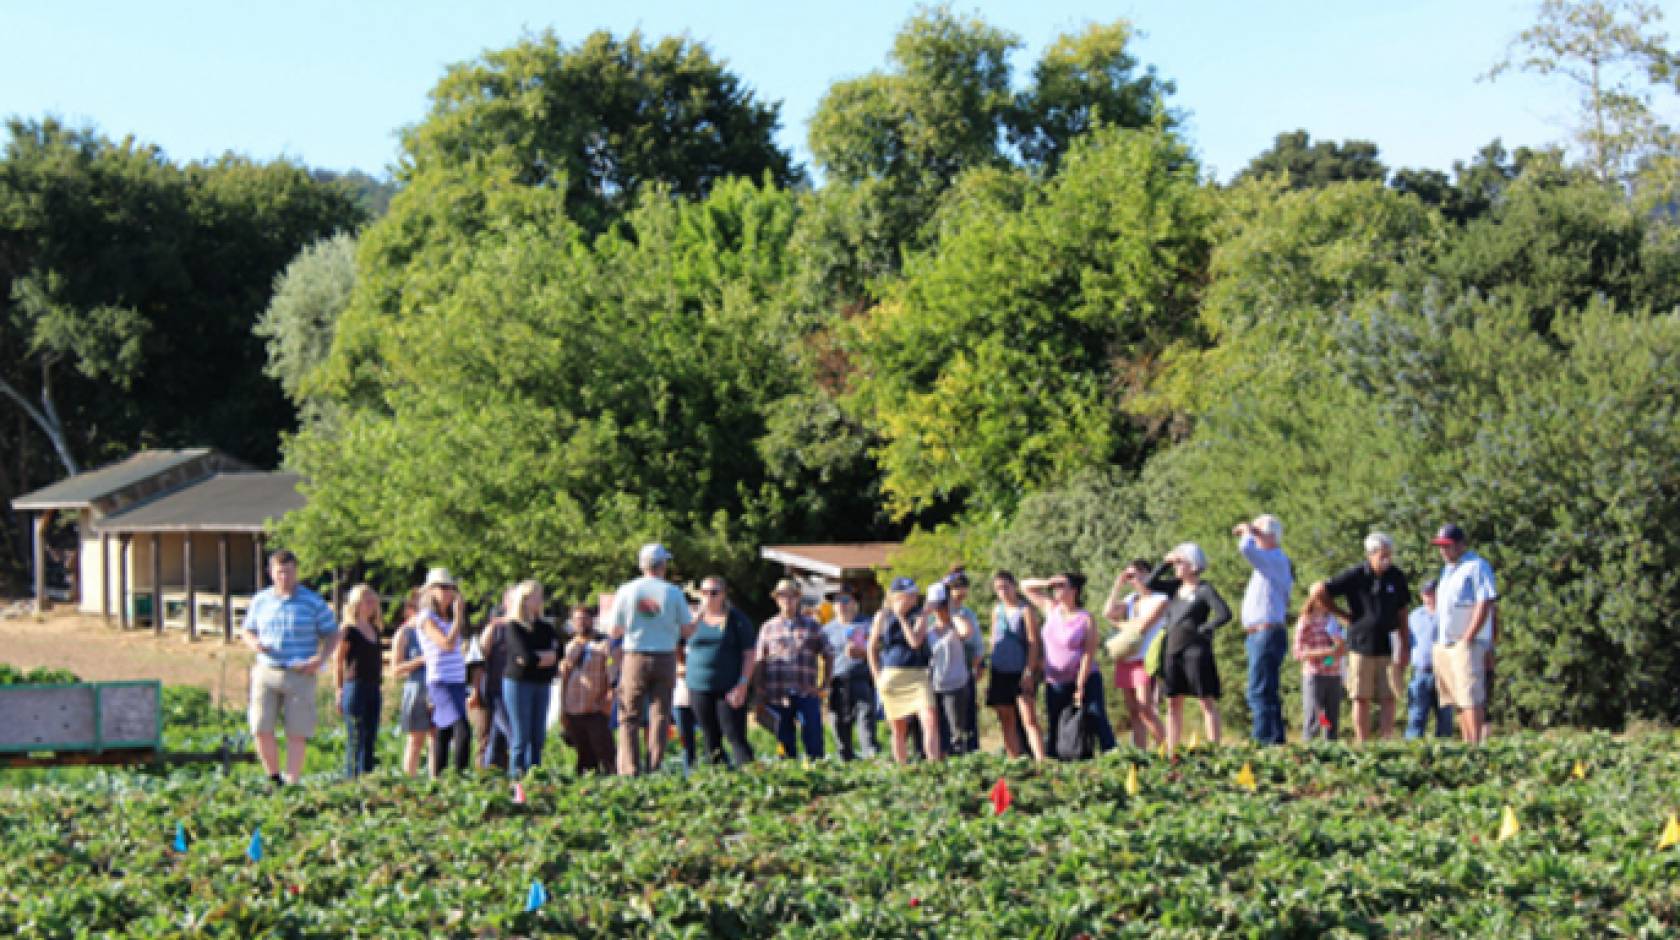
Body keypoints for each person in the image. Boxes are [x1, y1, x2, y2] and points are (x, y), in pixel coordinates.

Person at [241, 549, 338, 786]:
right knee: (261, 726)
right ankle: (274, 777)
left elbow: (332, 633)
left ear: (297, 572)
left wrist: (321, 658)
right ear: (271, 573)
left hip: (300, 672)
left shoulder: (312, 602)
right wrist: (254, 643)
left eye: (289, 571)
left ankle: (292, 781)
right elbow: (247, 629)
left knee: (297, 731)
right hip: (267, 669)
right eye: (280, 572)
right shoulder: (261, 600)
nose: (285, 576)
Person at [1310, 532, 1412, 743]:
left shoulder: (1397, 576)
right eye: (1382, 555)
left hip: (1389, 644)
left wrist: (1405, 644)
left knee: (1389, 695)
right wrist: (1341, 614)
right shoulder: (1356, 574)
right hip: (1360, 644)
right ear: (1371, 554)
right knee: (1360, 696)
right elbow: (1319, 589)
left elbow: (1403, 611)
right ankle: (1362, 741)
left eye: (1389, 555)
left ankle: (1386, 740)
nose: (1387, 559)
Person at [607, 543, 698, 776]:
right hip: (665, 656)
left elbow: (614, 630)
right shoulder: (673, 592)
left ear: (642, 565)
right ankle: (654, 766)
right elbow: (687, 631)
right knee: (660, 715)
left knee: (629, 716)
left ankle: (629, 769)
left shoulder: (627, 590)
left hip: (635, 656)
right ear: (663, 566)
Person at [1147, 544, 1230, 755]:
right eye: (1175, 563)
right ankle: (1172, 751)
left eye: (1179, 562)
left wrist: (1206, 628)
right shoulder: (1175, 587)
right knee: (1173, 701)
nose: (1176, 567)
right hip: (1173, 651)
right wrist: (1165, 563)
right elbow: (1150, 583)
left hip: (1195, 651)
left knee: (1205, 700)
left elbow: (1224, 614)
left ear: (1193, 565)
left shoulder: (1204, 589)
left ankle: (1214, 750)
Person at [1023, 573, 1115, 760]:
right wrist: (1047, 581)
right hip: (1055, 680)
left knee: (1096, 717)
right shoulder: (1051, 609)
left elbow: (1089, 653)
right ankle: (1057, 762)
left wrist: (1080, 685)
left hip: (1084, 678)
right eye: (1056, 587)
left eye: (1062, 586)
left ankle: (1112, 756)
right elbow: (1024, 586)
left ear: (1074, 591)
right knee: (1056, 722)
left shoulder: (1085, 618)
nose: (1057, 590)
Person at [748, 579, 831, 760]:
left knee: (814, 739)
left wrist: (825, 685)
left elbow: (828, 653)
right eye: (782, 595)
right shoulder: (768, 627)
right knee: (784, 742)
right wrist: (759, 690)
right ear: (777, 599)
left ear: (798, 598)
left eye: (791, 595)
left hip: (806, 691)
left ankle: (817, 773)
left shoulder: (812, 625)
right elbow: (759, 661)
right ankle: (788, 776)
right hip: (777, 694)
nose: (787, 599)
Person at [1431, 524, 1498, 744]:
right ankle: (1467, 741)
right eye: (1441, 546)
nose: (1443, 551)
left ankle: (1476, 744)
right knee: (1457, 697)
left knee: (1470, 696)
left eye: (1448, 546)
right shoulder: (1447, 571)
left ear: (1461, 544)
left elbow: (1485, 601)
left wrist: (1469, 635)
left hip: (1467, 642)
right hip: (1445, 642)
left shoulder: (1476, 566)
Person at [683, 575, 758, 769]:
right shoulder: (691, 619)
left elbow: (749, 654)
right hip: (698, 688)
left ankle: (751, 777)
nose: (709, 596)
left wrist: (743, 684)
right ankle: (719, 778)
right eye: (704, 592)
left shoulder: (737, 620)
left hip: (729, 688)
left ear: (723, 594)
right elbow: (677, 642)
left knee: (735, 735)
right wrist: (682, 667)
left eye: (714, 592)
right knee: (710, 737)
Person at [868, 577, 943, 764]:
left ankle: (933, 764)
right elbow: (872, 647)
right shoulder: (882, 616)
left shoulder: (920, 614)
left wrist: (901, 617)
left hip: (917, 675)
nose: (913, 599)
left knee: (930, 719)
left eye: (914, 595)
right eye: (909, 595)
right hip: (892, 675)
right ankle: (902, 769)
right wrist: (876, 677)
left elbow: (915, 642)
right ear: (896, 596)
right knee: (898, 728)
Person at [1234, 515, 1293, 746]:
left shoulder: (1275, 559)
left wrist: (1249, 531)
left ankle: (1262, 740)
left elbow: (1245, 549)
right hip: (1261, 633)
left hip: (1265, 633)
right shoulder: (1270, 564)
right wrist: (1255, 532)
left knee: (1258, 690)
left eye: (1259, 533)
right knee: (1266, 689)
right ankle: (1275, 739)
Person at [1102, 559, 1167, 749]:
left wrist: (1119, 625)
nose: (1132, 580)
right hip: (1127, 658)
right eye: (1129, 576)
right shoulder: (1131, 599)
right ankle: (1141, 753)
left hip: (1144, 658)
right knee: (1133, 711)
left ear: (1147, 574)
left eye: (1135, 575)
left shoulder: (1160, 599)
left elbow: (1142, 626)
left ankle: (1166, 749)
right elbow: (1108, 612)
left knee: (1145, 709)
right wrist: (1117, 585)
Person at [415, 568, 473, 775]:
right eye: (443, 587)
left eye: (451, 588)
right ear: (431, 591)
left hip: (457, 680)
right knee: (462, 730)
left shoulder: (448, 619)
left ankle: (438, 777)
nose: (449, 592)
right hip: (441, 681)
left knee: (444, 731)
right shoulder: (426, 617)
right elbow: (446, 644)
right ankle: (460, 776)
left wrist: (456, 619)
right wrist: (459, 617)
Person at [501, 579, 559, 777]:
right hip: (519, 684)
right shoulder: (513, 627)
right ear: (524, 600)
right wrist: (542, 658)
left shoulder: (546, 627)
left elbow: (556, 655)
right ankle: (515, 778)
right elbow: (524, 658)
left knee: (538, 736)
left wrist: (539, 658)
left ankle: (535, 776)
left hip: (542, 684)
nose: (540, 600)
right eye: (536, 596)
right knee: (521, 736)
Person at [988, 571, 1047, 761]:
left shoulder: (1025, 610)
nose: (1002, 591)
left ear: (1014, 586)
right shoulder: (996, 610)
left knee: (1029, 718)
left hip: (1020, 670)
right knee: (1006, 718)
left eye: (1005, 586)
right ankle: (1013, 759)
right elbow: (993, 638)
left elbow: (1033, 642)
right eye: (998, 588)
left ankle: (1041, 760)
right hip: (999, 670)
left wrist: (1029, 671)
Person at [333, 583, 384, 778]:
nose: (371, 604)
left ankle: (367, 779)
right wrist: (339, 690)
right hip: (355, 686)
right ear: (356, 603)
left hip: (373, 686)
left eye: (373, 600)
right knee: (356, 737)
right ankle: (351, 780)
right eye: (366, 600)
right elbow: (338, 661)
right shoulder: (349, 630)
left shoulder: (374, 630)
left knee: (370, 736)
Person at [559, 605, 616, 774]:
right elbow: (564, 676)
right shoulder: (570, 646)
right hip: (573, 707)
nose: (581, 623)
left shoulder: (605, 644)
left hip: (596, 706)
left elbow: (611, 670)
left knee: (605, 751)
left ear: (592, 620)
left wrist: (610, 697)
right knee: (583, 756)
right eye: (577, 619)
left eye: (585, 618)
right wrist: (562, 709)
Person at [823, 591, 878, 761]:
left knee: (865, 720)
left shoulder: (867, 624)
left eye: (845, 600)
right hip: (837, 682)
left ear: (855, 602)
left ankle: (871, 757)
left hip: (861, 679)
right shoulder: (826, 630)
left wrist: (862, 653)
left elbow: (878, 649)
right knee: (839, 724)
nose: (841, 604)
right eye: (837, 601)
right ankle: (845, 761)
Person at [926, 581, 977, 756]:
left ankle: (959, 762)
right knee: (937, 730)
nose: (939, 610)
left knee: (957, 731)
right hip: (933, 685)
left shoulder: (956, 625)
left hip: (955, 686)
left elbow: (966, 633)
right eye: (937, 606)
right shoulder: (928, 630)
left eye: (942, 606)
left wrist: (952, 612)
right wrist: (927, 612)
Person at [1292, 592, 1347, 742]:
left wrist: (1336, 652)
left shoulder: (1334, 621)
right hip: (1314, 675)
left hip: (1333, 674)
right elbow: (1298, 653)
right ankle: (1308, 749)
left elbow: (1340, 650)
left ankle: (1331, 752)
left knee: (1331, 719)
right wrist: (1325, 652)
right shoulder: (1305, 621)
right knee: (1314, 717)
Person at [1404, 579, 1455, 739]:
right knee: (1416, 717)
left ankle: (1446, 755)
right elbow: (1406, 642)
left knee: (1445, 718)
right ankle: (1413, 752)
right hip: (1421, 673)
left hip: (1444, 672)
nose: (1429, 596)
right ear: (1421, 595)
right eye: (1426, 593)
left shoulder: (1449, 613)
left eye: (1432, 592)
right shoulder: (1413, 616)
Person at [468, 590, 512, 773]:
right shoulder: (494, 629)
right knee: (486, 739)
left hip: (512, 694)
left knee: (500, 741)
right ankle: (484, 779)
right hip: (491, 692)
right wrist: (476, 691)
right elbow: (478, 662)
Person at [391, 589, 432, 776]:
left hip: (435, 688)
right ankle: (409, 781)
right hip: (416, 689)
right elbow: (396, 669)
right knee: (416, 740)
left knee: (436, 739)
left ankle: (435, 782)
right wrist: (420, 660)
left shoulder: (434, 630)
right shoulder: (405, 633)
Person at [945, 569, 984, 756]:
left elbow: (976, 643)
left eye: (963, 587)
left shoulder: (968, 613)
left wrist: (978, 665)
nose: (960, 592)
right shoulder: (937, 612)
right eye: (955, 587)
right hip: (942, 672)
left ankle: (970, 753)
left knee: (967, 717)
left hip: (965, 670)